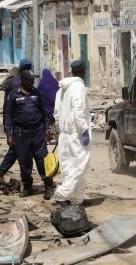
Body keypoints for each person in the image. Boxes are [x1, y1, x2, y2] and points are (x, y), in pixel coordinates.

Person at [4, 69, 54, 199]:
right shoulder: (13, 95)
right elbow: (8, 115)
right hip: (20, 133)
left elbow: (43, 113)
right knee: (24, 162)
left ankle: (48, 186)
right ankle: (27, 187)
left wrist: (47, 129)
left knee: (42, 159)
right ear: (23, 80)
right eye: (30, 80)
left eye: (33, 79)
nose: (32, 82)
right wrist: (9, 134)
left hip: (37, 131)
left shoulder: (36, 93)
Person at [52, 60, 91, 206]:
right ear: (83, 71)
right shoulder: (78, 86)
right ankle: (62, 193)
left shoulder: (61, 88)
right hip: (76, 134)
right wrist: (83, 130)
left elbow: (56, 113)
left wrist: (60, 130)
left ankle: (76, 198)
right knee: (80, 165)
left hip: (64, 134)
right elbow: (78, 110)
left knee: (69, 166)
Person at [0, 59, 30, 180]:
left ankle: (2, 171)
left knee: (15, 148)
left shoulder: (11, 80)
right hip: (17, 121)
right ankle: (24, 179)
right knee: (20, 149)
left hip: (12, 119)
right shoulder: (19, 82)